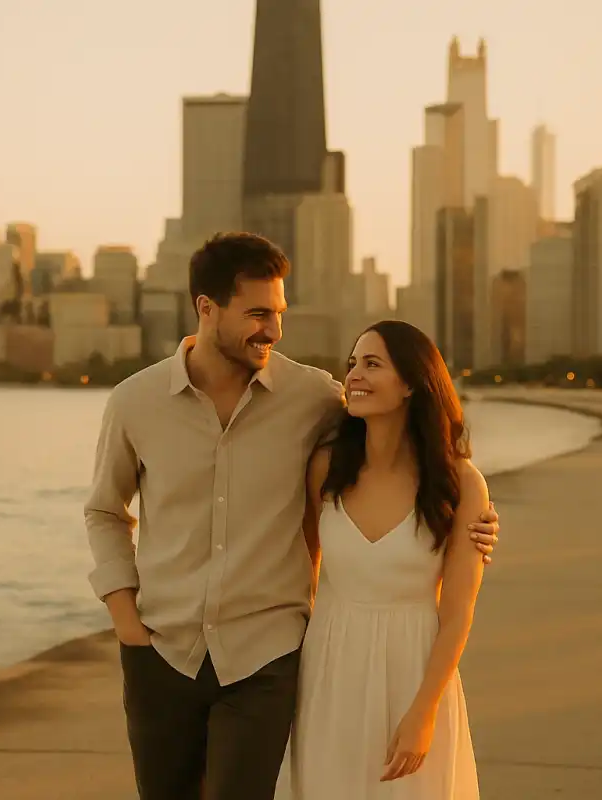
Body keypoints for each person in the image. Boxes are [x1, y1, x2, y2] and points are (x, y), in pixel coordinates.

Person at [83, 233, 500, 800]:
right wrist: (124, 613)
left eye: (278, 314)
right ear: (207, 309)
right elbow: (105, 509)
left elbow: (402, 434)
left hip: (265, 657)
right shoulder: (135, 402)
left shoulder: (314, 398)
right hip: (162, 649)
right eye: (257, 314)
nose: (273, 331)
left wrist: (475, 514)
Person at [276, 320, 486, 800]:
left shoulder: (459, 483)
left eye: (373, 364)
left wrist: (424, 713)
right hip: (328, 672)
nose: (354, 376)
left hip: (414, 671)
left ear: (412, 382)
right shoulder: (326, 467)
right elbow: (305, 570)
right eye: (352, 364)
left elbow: (457, 614)